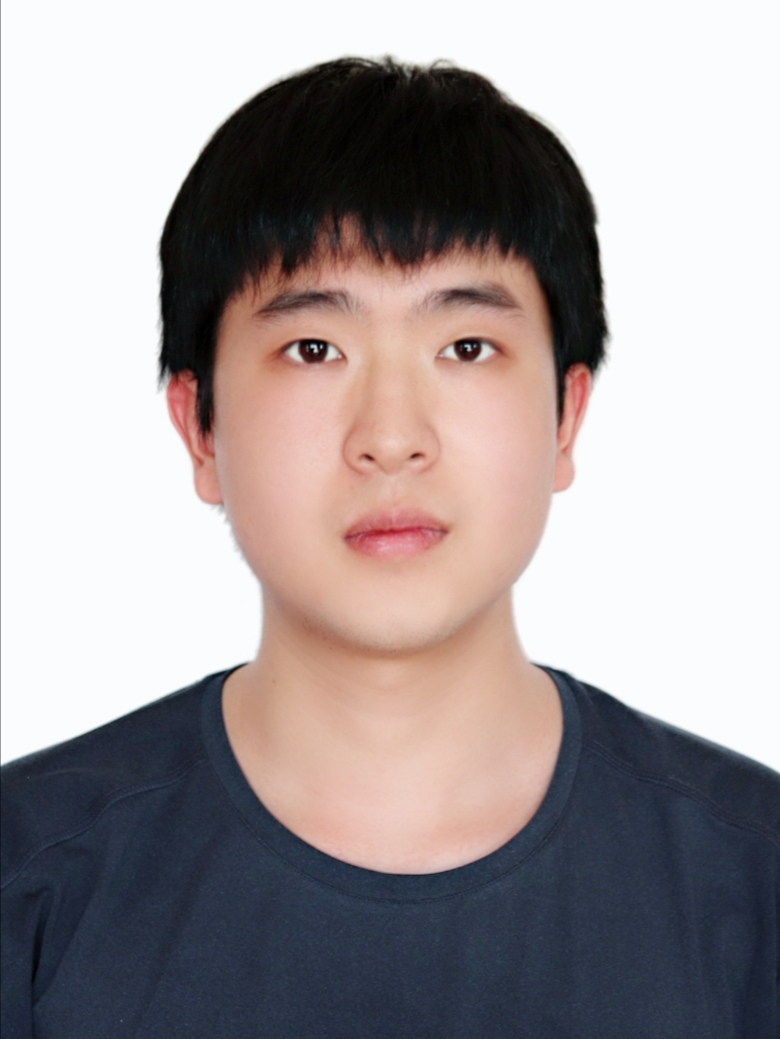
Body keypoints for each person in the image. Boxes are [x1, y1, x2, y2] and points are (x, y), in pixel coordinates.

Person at [1, 57, 777, 1038]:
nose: (393, 435)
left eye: (465, 347)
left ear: (566, 416)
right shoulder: (31, 882)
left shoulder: (753, 880)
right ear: (200, 428)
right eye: (314, 348)